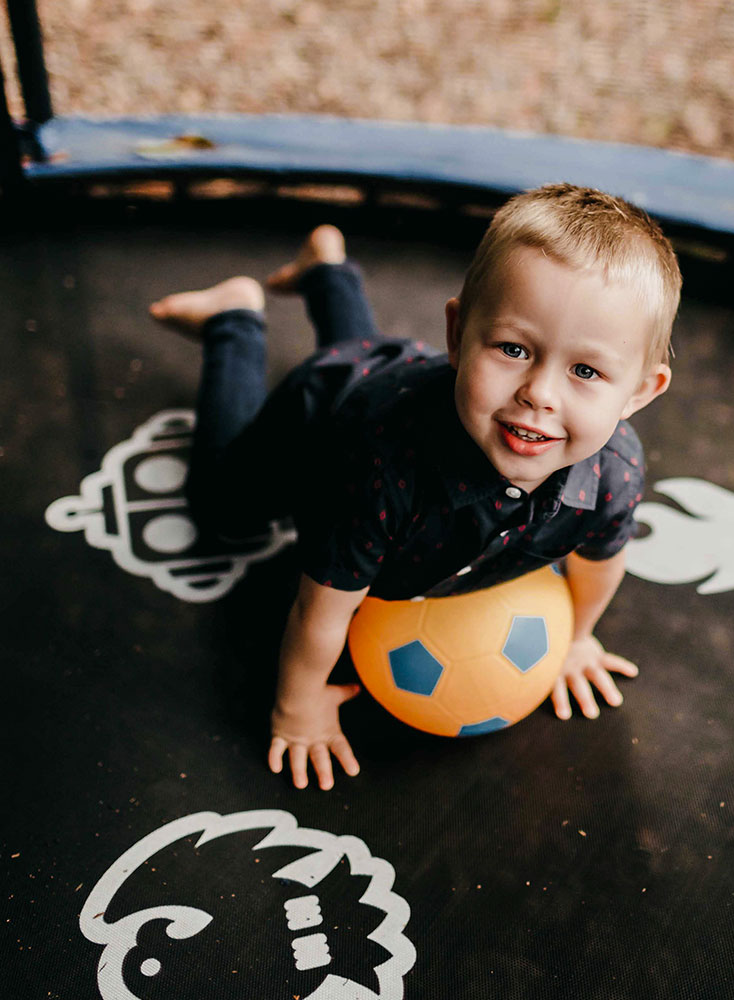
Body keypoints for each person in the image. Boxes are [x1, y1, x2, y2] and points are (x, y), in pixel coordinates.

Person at [149, 183, 681, 791]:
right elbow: (320, 613)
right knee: (227, 509)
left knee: (370, 352)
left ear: (640, 391)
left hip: (395, 375)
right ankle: (234, 321)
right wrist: (297, 710)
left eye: (585, 370)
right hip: (327, 413)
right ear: (458, 335)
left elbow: (601, 563)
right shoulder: (381, 475)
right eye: (512, 349)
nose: (540, 393)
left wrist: (577, 640)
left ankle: (327, 269)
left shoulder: (616, 471)